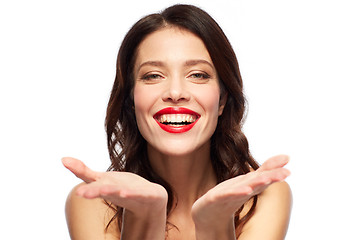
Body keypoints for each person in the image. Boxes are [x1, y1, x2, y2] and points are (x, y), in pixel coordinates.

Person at [62, 4, 292, 240]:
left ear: (222, 99)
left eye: (198, 75)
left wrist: (215, 223)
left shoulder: (262, 197)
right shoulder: (92, 203)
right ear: (131, 100)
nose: (175, 92)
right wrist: (144, 217)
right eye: (153, 76)